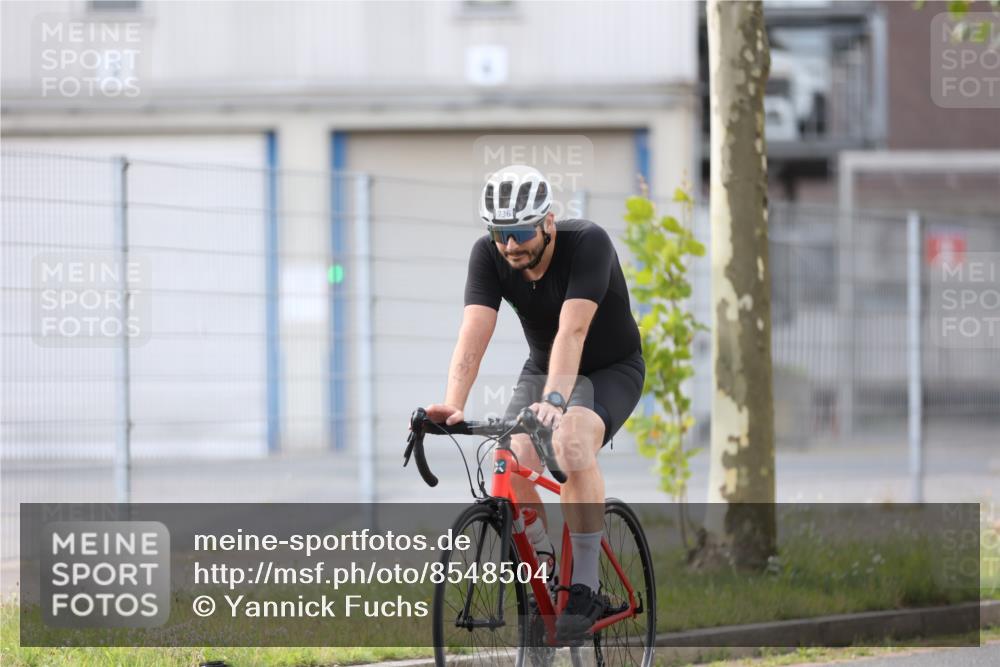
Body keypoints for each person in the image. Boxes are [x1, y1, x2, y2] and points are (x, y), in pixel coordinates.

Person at [425, 164, 645, 641]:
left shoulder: (589, 242)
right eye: (500, 233)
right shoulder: (489, 255)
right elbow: (474, 333)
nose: (510, 245)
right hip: (544, 367)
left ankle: (584, 583)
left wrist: (555, 402)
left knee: (569, 441)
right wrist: (452, 404)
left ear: (548, 221)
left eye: (521, 231)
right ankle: (542, 564)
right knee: (506, 454)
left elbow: (574, 330)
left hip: (610, 368)